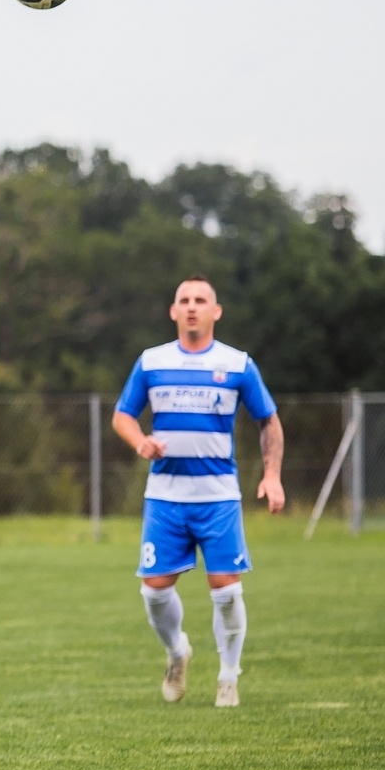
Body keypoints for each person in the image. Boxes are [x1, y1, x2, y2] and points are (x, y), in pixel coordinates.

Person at [111, 275, 285, 709]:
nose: (192, 306)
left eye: (201, 300)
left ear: (216, 311)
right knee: (154, 590)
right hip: (165, 497)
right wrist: (140, 441)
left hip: (218, 497)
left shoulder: (237, 364)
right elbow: (122, 415)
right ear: (173, 311)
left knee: (226, 591)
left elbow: (268, 419)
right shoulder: (151, 362)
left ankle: (228, 677)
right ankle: (177, 652)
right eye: (184, 300)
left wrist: (272, 475)